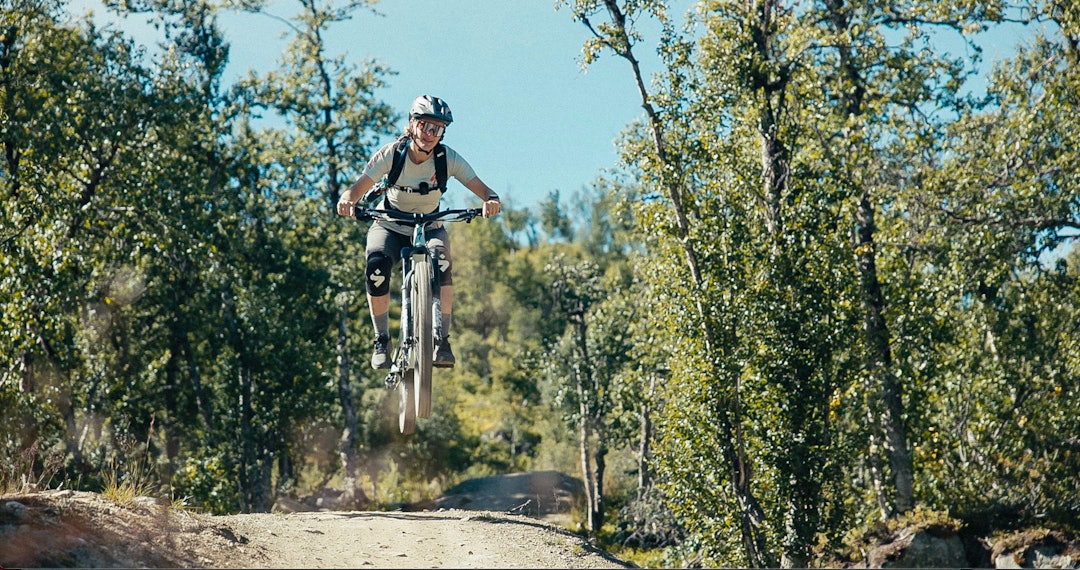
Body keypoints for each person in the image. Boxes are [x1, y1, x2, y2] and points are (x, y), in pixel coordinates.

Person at [336, 95, 501, 369]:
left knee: (443, 264)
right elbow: (355, 189)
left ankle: (442, 340)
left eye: (437, 128)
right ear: (412, 124)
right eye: (425, 125)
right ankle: (381, 340)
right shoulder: (392, 154)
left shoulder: (447, 159)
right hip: (389, 224)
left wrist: (491, 201)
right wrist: (347, 201)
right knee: (376, 266)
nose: (430, 134)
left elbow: (486, 191)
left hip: (430, 225)